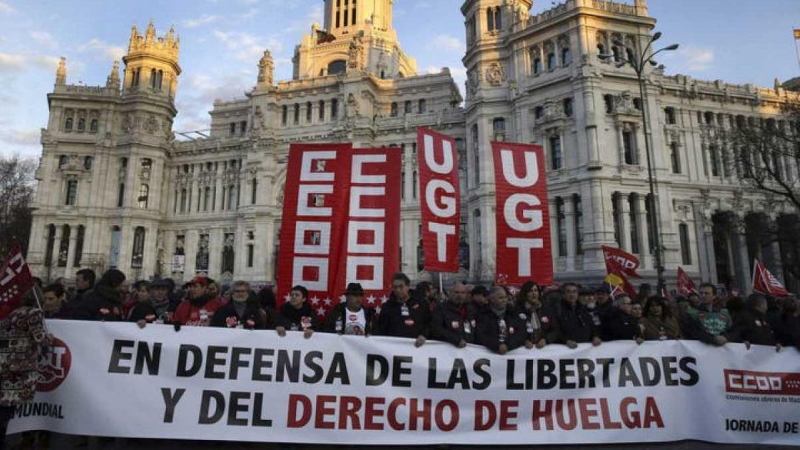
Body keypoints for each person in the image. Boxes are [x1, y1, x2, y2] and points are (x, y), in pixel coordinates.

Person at [0, 298, 51, 448]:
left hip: (3, 363)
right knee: (7, 409)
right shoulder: (33, 313)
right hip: (20, 369)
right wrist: (50, 337)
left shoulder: (6, 311)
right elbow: (40, 338)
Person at [376, 273, 430, 347]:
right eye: (395, 287)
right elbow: (381, 329)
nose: (398, 290)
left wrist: (424, 335)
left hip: (418, 349)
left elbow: (430, 323)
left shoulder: (421, 303)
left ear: (408, 286)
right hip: (394, 350)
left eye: (401, 287)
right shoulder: (387, 307)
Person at [545, 283, 602, 348]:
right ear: (563, 294)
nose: (572, 295)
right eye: (568, 292)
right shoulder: (557, 310)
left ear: (577, 294)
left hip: (586, 350)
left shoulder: (583, 310)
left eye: (574, 292)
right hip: (566, 351)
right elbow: (555, 331)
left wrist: (595, 336)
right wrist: (566, 341)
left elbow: (592, 326)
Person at [475, 286, 527, 354]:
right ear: (492, 299)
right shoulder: (483, 315)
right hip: (490, 354)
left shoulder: (513, 313)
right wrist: (497, 345)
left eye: (505, 297)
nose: (504, 300)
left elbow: (521, 333)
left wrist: (507, 345)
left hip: (510, 353)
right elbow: (481, 335)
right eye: (501, 298)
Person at [430, 282, 473, 347]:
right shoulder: (441, 308)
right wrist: (455, 340)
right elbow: (436, 329)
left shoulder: (471, 310)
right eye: (456, 292)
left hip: (470, 350)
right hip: (449, 350)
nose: (459, 295)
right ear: (450, 293)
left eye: (462, 292)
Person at [515, 281, 546, 349]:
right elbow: (514, 330)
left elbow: (554, 329)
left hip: (543, 350)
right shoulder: (517, 310)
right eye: (530, 291)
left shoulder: (545, 308)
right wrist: (524, 341)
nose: (534, 293)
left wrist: (546, 339)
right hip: (525, 351)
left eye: (535, 290)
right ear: (525, 293)